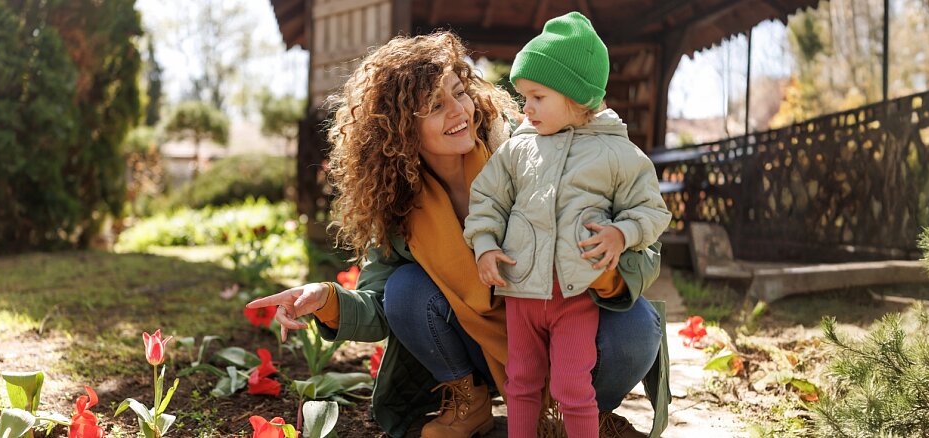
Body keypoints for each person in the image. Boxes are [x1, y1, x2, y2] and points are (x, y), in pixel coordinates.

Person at [246, 30, 664, 438]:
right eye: (434, 105)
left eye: (459, 91)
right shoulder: (399, 206)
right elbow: (381, 307)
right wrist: (325, 299)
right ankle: (470, 402)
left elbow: (647, 246)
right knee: (405, 288)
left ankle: (591, 414)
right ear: (398, 129)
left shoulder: (529, 150)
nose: (458, 110)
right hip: (483, 347)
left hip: (570, 320)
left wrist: (605, 262)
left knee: (638, 327)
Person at [462, 12, 672, 437]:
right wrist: (484, 243)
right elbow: (487, 200)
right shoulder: (518, 150)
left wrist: (622, 233)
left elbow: (651, 211)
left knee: (572, 385)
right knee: (520, 381)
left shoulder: (617, 153)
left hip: (576, 295)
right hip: (521, 290)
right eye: (524, 96)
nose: (527, 107)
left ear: (576, 97)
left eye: (538, 96)